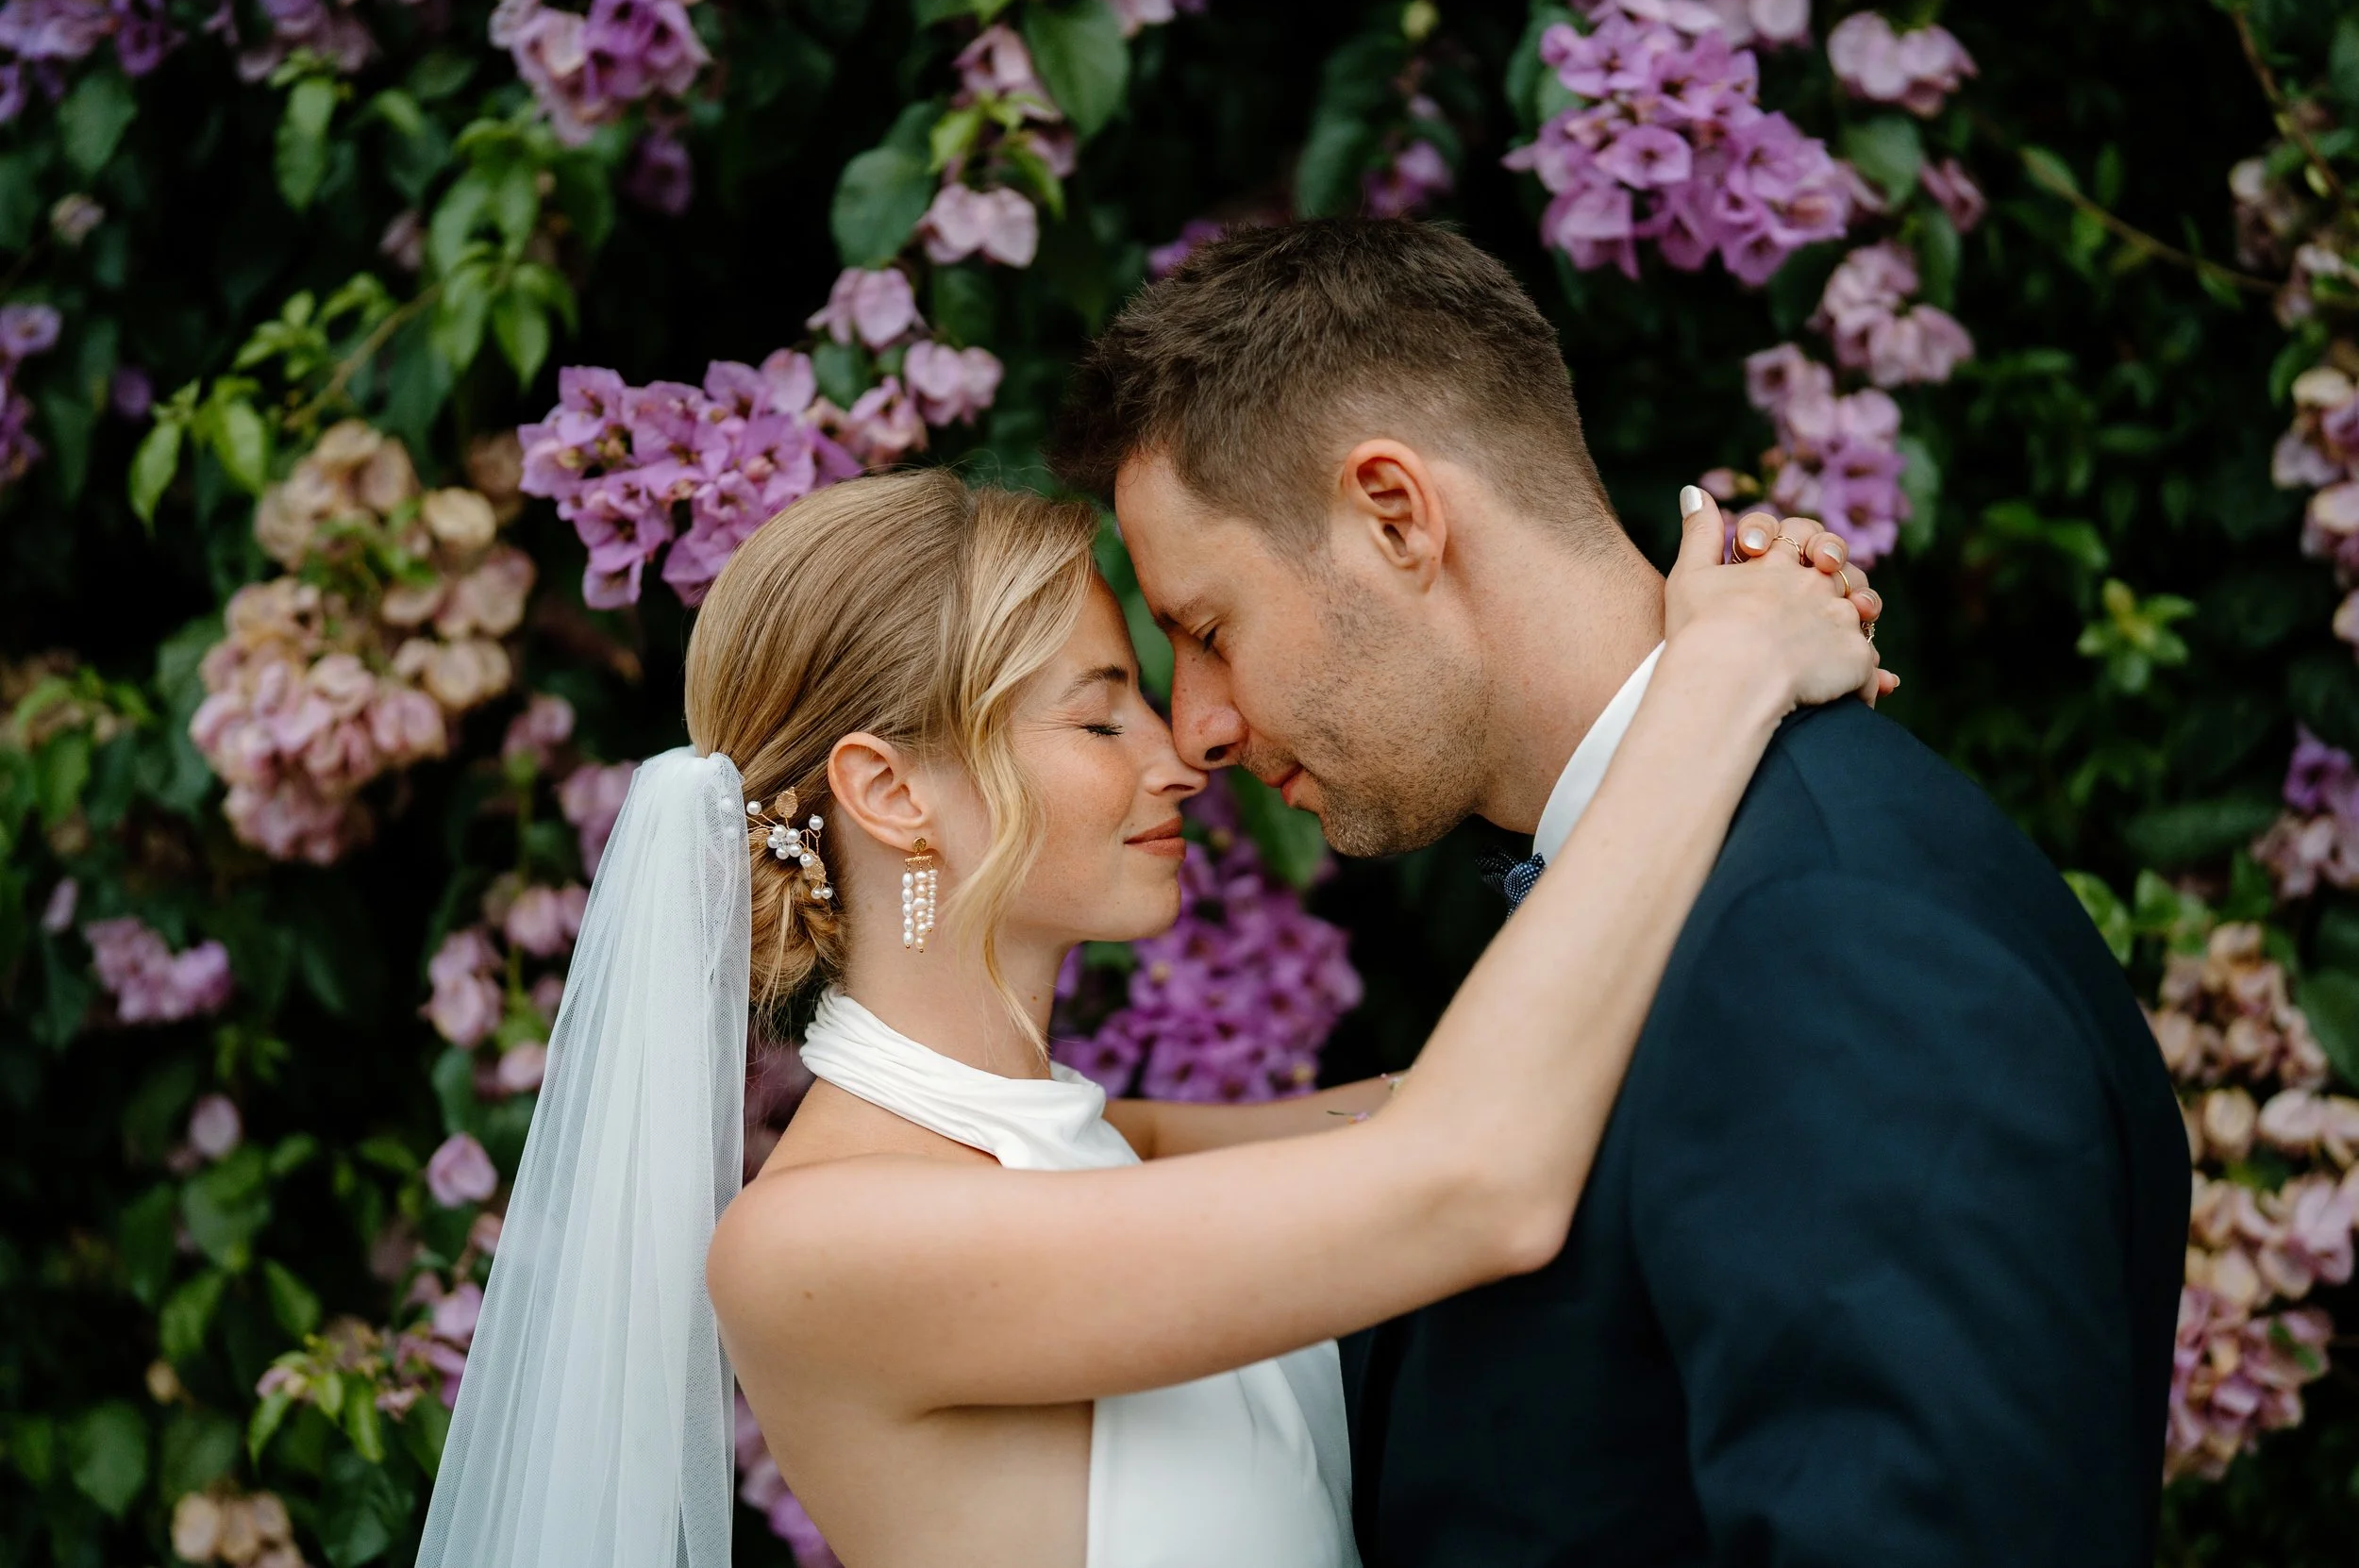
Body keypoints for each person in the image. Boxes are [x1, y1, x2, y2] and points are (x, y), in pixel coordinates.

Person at [415, 459, 1882, 1567]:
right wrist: (1724, 676)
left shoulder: (1096, 1143)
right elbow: (1471, 1174)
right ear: (888, 791)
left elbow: (1487, 1092)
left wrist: (1690, 680)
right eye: (1099, 713)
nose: (1180, 752)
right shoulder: (821, 1242)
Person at [1046, 216, 2192, 1567]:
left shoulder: (1829, 938)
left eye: (1209, 630)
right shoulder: (1662, 901)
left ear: (1396, 514)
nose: (1203, 729)